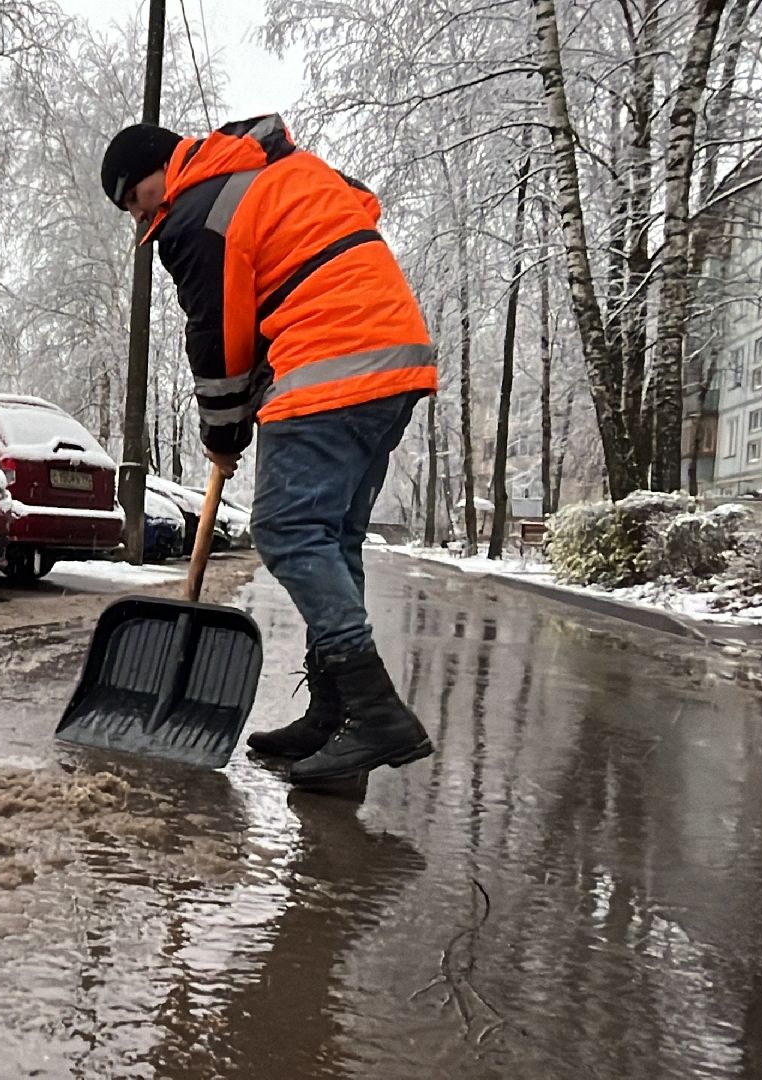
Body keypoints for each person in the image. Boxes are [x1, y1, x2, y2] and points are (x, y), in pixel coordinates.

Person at [99, 115, 437, 785]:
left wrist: (223, 430)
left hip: (332, 360)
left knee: (285, 529)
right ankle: (335, 719)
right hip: (394, 356)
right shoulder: (274, 170)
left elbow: (220, 335)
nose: (144, 223)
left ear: (157, 172)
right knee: (333, 539)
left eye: (138, 203)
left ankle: (372, 712)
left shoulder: (197, 210)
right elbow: (359, 203)